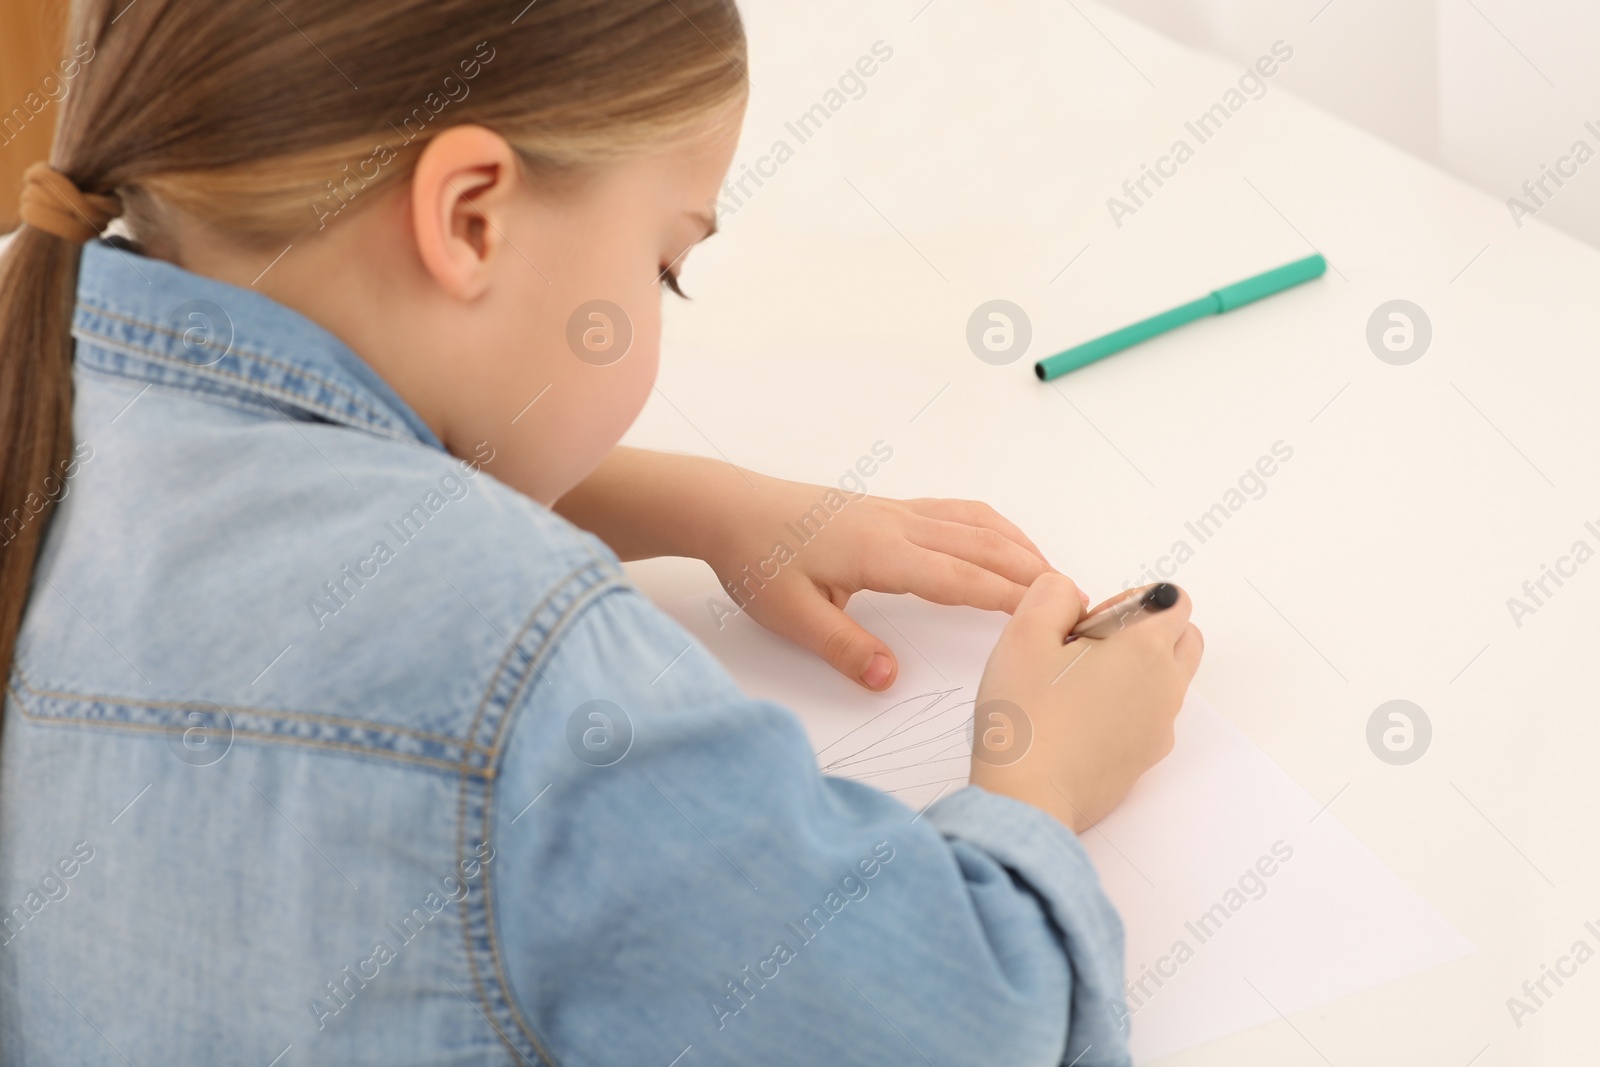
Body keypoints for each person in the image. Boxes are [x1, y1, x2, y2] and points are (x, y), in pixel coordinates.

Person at [0, 2, 1202, 1063]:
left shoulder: (30, 343)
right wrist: (1041, 775)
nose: (661, 299)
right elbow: (961, 1027)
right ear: (470, 217)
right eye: (665, 264)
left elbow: (253, 474)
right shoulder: (520, 670)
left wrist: (697, 502)